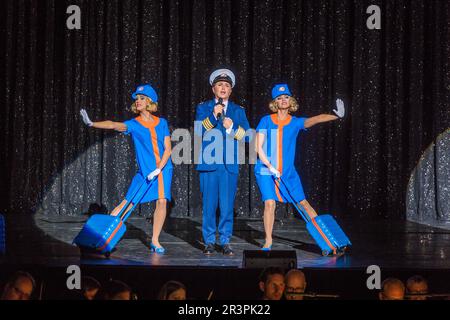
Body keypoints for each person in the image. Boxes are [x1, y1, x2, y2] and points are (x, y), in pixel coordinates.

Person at [80, 84, 172, 254]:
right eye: (136, 99)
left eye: (142, 98)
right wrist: (92, 123)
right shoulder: (134, 124)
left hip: (163, 169)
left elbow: (167, 148)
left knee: (162, 201)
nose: (138, 101)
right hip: (146, 172)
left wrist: (159, 169)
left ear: (150, 102)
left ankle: (155, 240)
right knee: (127, 204)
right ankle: (101, 236)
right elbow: (114, 125)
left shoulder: (162, 123)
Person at [254, 84, 345, 250]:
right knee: (269, 204)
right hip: (265, 170)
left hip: (288, 172)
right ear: (275, 102)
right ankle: (268, 240)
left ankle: (327, 238)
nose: (283, 100)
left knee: (304, 204)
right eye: (279, 98)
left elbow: (315, 119)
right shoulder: (266, 120)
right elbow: (258, 148)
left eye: (286, 97)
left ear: (290, 100)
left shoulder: (295, 123)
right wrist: (269, 166)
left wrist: (336, 116)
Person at [195, 69, 251, 256]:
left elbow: (248, 136)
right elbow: (199, 132)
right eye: (220, 85)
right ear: (213, 89)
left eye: (227, 85)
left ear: (231, 90)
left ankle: (225, 241)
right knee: (209, 206)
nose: (223, 88)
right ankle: (209, 241)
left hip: (229, 164)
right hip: (209, 164)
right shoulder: (203, 108)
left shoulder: (238, 110)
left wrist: (232, 127)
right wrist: (213, 116)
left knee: (227, 206)